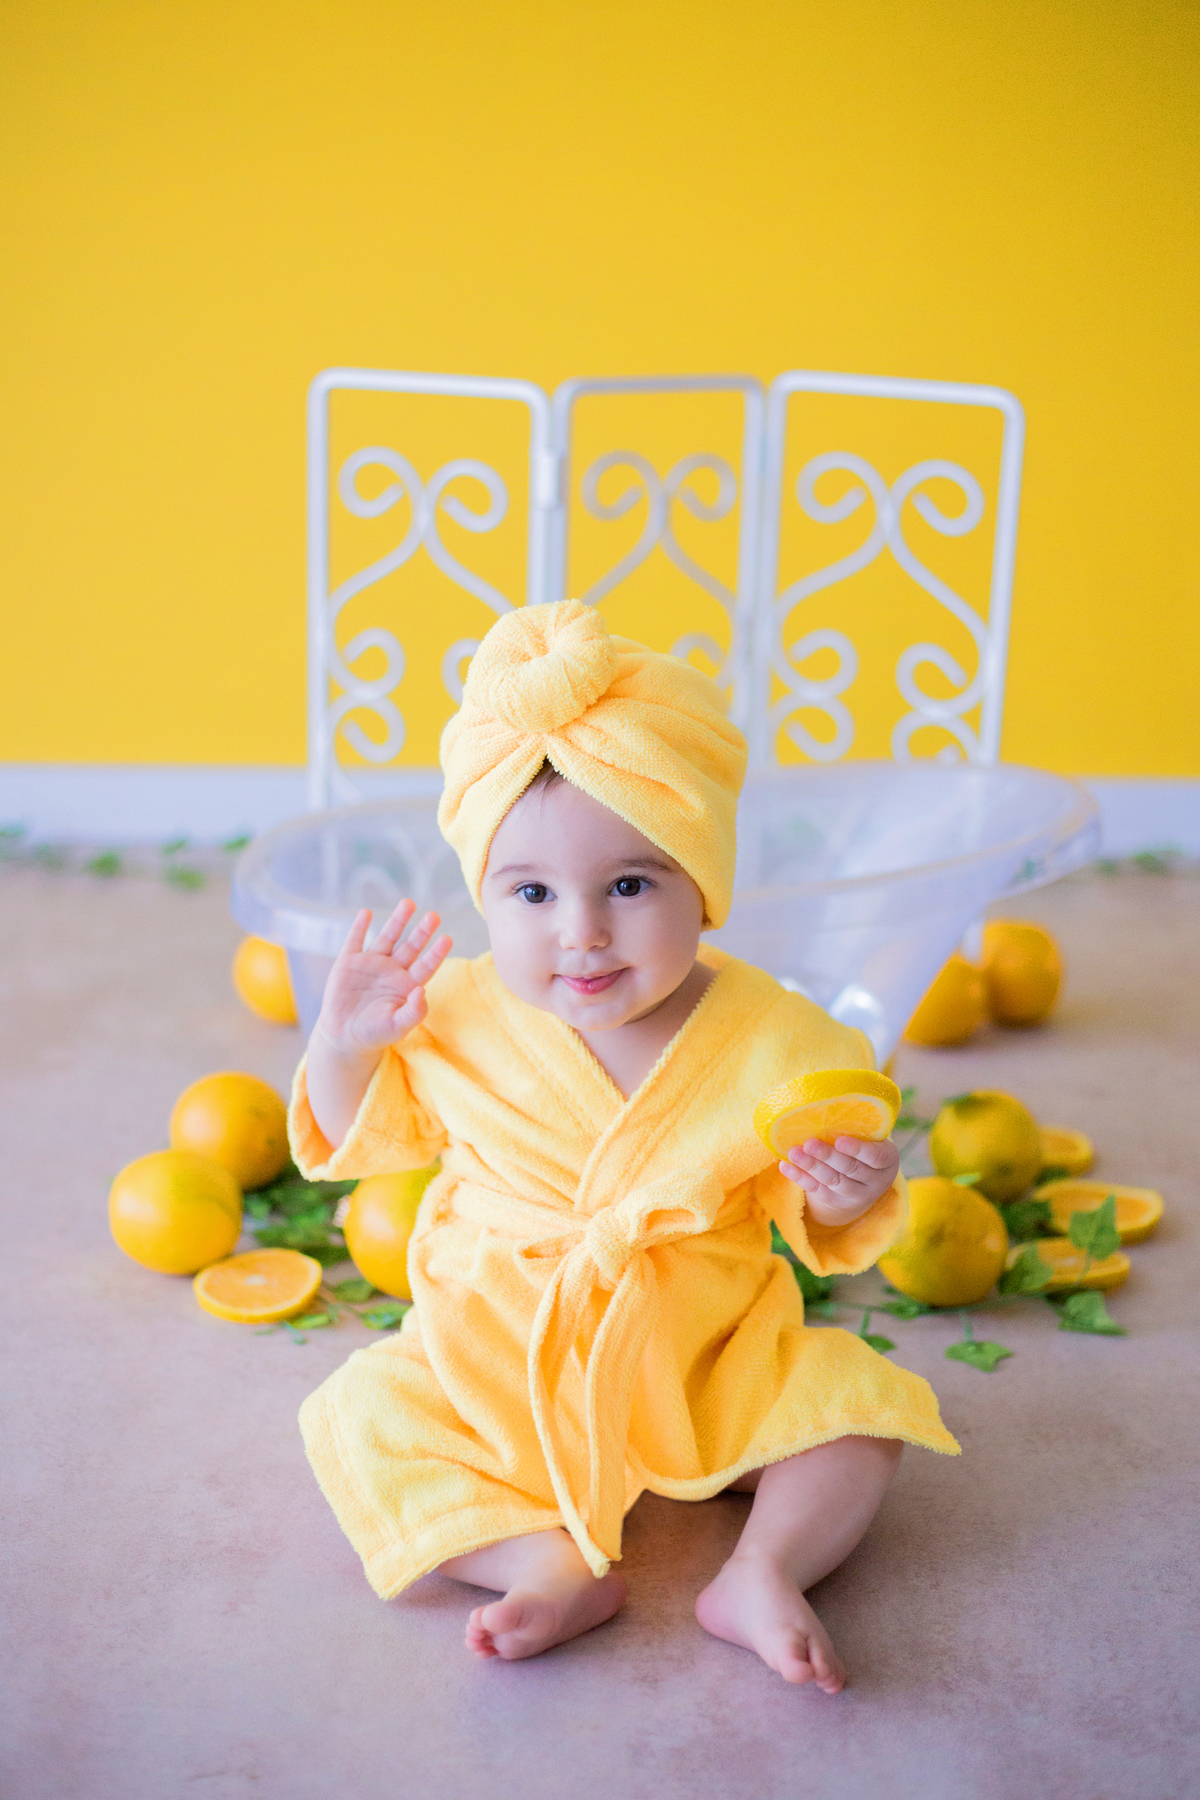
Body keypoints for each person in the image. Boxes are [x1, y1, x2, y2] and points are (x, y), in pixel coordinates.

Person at [291, 599, 958, 1693]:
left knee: (862, 1415)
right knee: (363, 1416)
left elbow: (821, 1214)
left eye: (632, 885)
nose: (582, 931)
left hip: (703, 1359)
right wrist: (343, 1044)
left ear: (704, 880)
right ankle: (542, 1560)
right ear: (486, 898)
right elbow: (350, 1136)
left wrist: (853, 1185)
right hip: (504, 1357)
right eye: (534, 893)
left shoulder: (779, 1038)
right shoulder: (452, 1012)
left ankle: (760, 1572)